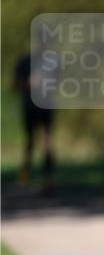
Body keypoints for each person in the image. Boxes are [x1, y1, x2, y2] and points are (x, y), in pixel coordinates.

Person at [13, 49, 57, 191]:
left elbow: (58, 83)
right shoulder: (25, 61)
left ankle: (48, 181)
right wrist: (28, 84)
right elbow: (14, 85)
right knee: (30, 143)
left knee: (47, 143)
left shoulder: (52, 61)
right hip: (30, 106)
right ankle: (24, 178)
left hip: (45, 105)